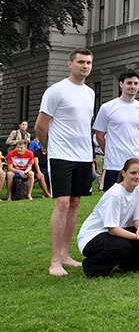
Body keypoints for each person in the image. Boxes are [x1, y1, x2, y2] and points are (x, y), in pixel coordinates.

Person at [35, 47, 95, 277]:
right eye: (81, 62)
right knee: (61, 203)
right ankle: (54, 261)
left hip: (82, 155)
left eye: (88, 63)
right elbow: (41, 125)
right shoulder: (56, 91)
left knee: (75, 202)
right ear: (70, 64)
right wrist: (49, 147)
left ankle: (65, 254)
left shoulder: (89, 93)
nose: (85, 66)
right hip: (60, 155)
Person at [76, 158, 139, 277]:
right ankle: (91, 267)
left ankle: (128, 265)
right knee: (122, 245)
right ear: (123, 173)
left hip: (113, 233)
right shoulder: (114, 194)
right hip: (93, 236)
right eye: (133, 173)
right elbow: (112, 229)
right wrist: (137, 237)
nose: (137, 177)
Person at [92, 69, 139, 193]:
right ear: (121, 84)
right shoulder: (107, 108)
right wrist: (109, 151)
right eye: (129, 83)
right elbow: (100, 136)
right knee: (112, 202)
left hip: (136, 164)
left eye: (136, 83)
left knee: (136, 202)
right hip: (114, 164)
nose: (132, 86)